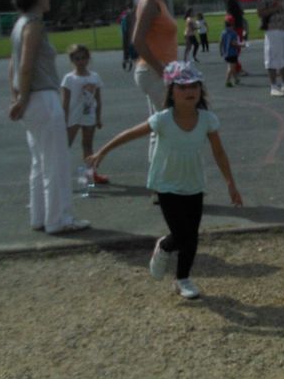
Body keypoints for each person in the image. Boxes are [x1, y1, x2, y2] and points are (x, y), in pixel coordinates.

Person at [88, 62, 242, 299]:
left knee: (191, 237)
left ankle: (183, 280)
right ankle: (164, 247)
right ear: (171, 91)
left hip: (194, 185)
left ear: (200, 90)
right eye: (182, 87)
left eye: (194, 86)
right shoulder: (162, 120)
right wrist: (102, 152)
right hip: (167, 185)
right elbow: (128, 134)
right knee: (180, 235)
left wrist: (230, 183)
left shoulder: (207, 120)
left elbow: (219, 153)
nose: (189, 91)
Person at [7, 0, 90, 234]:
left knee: (39, 162)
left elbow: (12, 66)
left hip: (32, 100)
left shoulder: (18, 25)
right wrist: (21, 98)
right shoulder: (33, 25)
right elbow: (25, 63)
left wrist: (17, 95)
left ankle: (40, 217)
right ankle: (60, 219)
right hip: (42, 97)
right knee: (56, 162)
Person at [131, 0, 178, 164]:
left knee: (158, 127)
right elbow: (137, 40)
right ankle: (167, 181)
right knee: (170, 125)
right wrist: (161, 69)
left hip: (159, 70)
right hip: (154, 71)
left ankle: (159, 183)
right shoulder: (150, 1)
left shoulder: (158, 1)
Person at [61, 44, 109, 185]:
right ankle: (59, 176)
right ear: (72, 60)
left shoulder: (95, 77)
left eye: (83, 58)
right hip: (73, 117)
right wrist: (63, 120)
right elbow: (65, 102)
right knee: (65, 145)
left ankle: (90, 175)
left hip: (89, 116)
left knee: (87, 145)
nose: (81, 61)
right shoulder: (69, 78)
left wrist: (98, 118)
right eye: (77, 59)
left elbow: (98, 100)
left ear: (88, 59)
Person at [225, 0, 248, 77]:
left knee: (237, 48)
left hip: (237, 24)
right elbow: (231, 13)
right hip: (236, 26)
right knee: (236, 48)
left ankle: (235, 67)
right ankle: (236, 68)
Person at [219, 16, 243, 87]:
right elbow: (233, 43)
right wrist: (241, 45)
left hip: (226, 53)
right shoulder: (233, 33)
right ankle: (227, 81)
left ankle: (236, 79)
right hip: (232, 53)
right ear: (232, 24)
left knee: (233, 67)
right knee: (231, 68)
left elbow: (220, 42)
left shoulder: (223, 33)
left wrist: (220, 51)